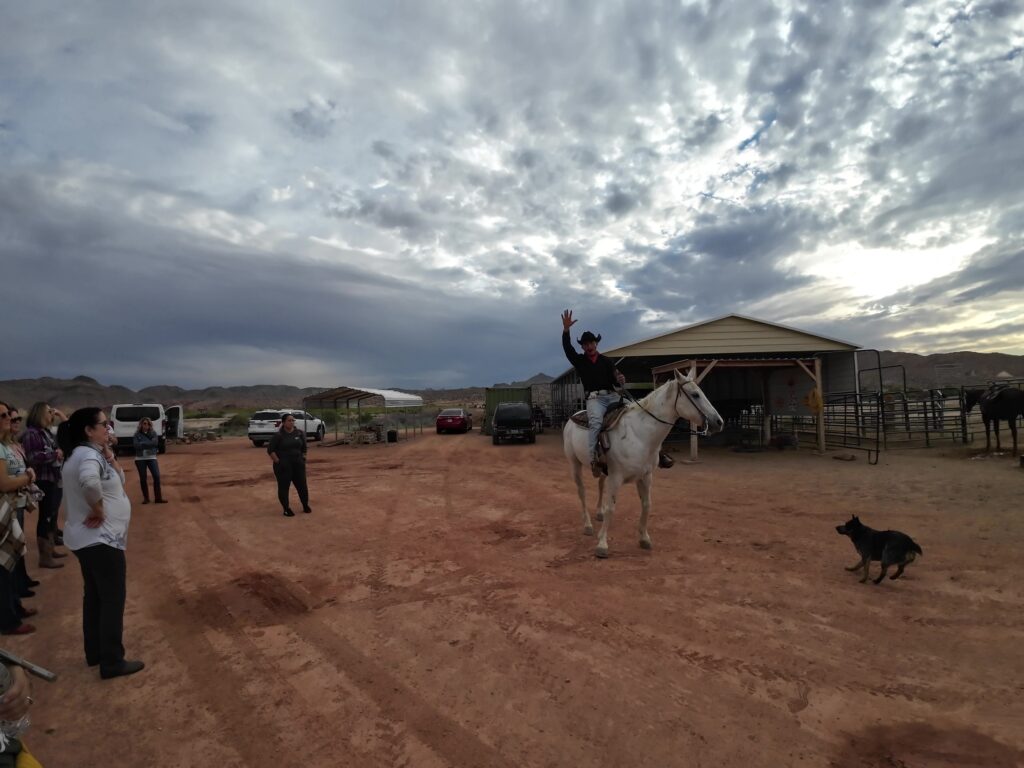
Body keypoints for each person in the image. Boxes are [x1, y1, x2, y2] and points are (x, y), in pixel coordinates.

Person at [57, 408, 144, 680]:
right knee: (111, 599)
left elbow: (118, 480)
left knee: (94, 596)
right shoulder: (87, 456)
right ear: (88, 430)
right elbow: (89, 482)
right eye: (104, 424)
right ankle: (112, 661)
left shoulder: (87, 454)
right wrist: (97, 509)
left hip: (90, 541)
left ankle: (95, 652)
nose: (109, 429)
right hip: (101, 541)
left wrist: (110, 456)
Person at [561, 310, 626, 477]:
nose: (589, 346)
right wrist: (566, 331)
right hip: (595, 399)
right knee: (596, 422)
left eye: (591, 343)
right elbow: (568, 349)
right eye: (586, 344)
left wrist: (620, 378)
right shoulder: (580, 361)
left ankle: (652, 452)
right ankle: (593, 460)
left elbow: (615, 377)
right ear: (582, 347)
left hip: (611, 395)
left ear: (596, 344)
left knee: (634, 410)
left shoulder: (606, 361)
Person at [0, 404, 35, 637]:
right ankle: (8, 620)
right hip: (4, 509)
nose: (9, 419)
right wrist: (27, 477)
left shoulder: (6, 446)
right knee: (3, 568)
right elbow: (3, 483)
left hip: (8, 508)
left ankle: (14, 608)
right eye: (3, 416)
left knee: (9, 564)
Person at [20, 404, 67, 569]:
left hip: (52, 477)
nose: (52, 413)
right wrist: (54, 454)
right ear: (40, 413)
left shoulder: (45, 432)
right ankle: (44, 557)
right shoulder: (31, 434)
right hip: (42, 480)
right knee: (45, 517)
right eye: (49, 411)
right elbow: (32, 457)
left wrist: (57, 453)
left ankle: (50, 549)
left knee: (51, 515)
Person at [267, 413, 310, 517]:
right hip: (283, 467)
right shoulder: (278, 436)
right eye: (289, 420)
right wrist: (278, 462)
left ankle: (305, 505)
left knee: (302, 486)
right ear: (283, 422)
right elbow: (270, 450)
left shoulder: (299, 433)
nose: (292, 422)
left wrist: (303, 458)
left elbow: (304, 448)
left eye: (293, 420)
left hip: (298, 465)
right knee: (284, 487)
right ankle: (286, 509)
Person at [132, 418, 166, 505]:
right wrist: (148, 443)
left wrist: (142, 443)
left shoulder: (153, 433)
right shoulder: (136, 434)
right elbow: (136, 445)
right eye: (144, 423)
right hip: (140, 459)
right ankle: (146, 498)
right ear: (141, 425)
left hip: (152, 458)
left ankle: (158, 498)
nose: (145, 425)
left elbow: (155, 443)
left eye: (147, 424)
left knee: (156, 476)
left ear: (150, 425)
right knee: (143, 478)